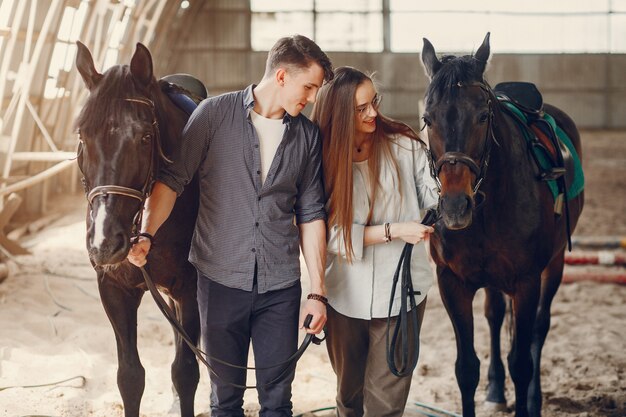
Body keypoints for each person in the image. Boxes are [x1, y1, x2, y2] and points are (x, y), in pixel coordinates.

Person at [127, 35, 333, 417]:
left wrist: (317, 291)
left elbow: (311, 213)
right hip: (220, 282)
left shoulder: (306, 136)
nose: (312, 98)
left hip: (280, 287)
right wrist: (146, 234)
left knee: (277, 402)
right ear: (283, 76)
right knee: (225, 401)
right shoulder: (212, 115)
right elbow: (172, 181)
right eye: (309, 87)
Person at [310, 66, 438, 417]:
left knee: (386, 403)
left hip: (403, 292)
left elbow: (435, 198)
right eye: (361, 109)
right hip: (343, 292)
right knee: (349, 395)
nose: (373, 114)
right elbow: (327, 233)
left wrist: (442, 157)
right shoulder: (319, 160)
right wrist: (394, 231)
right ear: (337, 114)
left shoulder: (405, 146)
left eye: (374, 103)